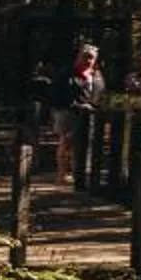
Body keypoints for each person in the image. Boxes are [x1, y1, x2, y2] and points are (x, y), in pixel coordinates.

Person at [59, 44, 104, 180]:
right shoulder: (67, 73)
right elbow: (61, 94)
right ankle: (62, 173)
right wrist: (78, 105)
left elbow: (100, 92)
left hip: (91, 115)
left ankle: (80, 172)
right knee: (67, 142)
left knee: (87, 142)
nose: (89, 61)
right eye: (86, 57)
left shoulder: (96, 75)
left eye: (92, 58)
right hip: (70, 112)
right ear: (79, 57)